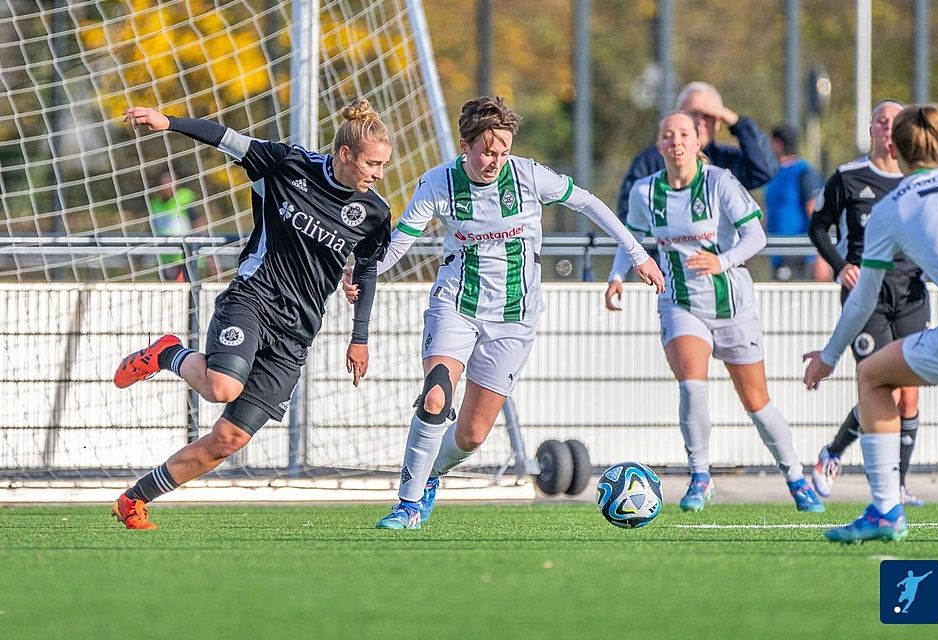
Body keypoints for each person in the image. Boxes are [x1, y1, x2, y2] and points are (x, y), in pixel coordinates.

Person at [345, 96, 664, 529]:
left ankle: (431, 474)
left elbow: (587, 202)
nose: (495, 161)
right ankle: (408, 504)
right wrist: (358, 270)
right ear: (466, 146)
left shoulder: (529, 176)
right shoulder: (438, 184)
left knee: (473, 435)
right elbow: (396, 246)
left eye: (503, 152)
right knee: (437, 394)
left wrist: (637, 253)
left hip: (515, 316)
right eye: (487, 151)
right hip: (455, 304)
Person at [111, 99, 394, 529]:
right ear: (345, 155)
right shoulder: (286, 164)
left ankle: (134, 499)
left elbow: (368, 267)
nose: (377, 174)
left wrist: (360, 337)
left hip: (296, 334)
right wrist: (167, 122)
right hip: (253, 299)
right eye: (372, 163)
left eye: (382, 165)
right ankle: (168, 353)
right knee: (222, 387)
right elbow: (225, 138)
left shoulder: (374, 212)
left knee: (228, 440)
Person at [606, 111, 823, 513]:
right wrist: (618, 276)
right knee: (692, 382)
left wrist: (721, 262)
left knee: (757, 402)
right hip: (680, 302)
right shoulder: (644, 192)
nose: (676, 142)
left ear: (697, 142)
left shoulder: (719, 182)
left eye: (684, 134)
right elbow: (632, 239)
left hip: (732, 305)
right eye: (668, 136)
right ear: (659, 146)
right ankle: (700, 476)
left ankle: (796, 477)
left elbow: (755, 234)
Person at [804, 103, 938, 543]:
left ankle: (886, 510)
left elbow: (861, 299)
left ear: (898, 147)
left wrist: (828, 356)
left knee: (872, 376)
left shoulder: (893, 208)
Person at [616, 81, 778, 221]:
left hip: (719, 256)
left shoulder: (726, 163)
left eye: (708, 116)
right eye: (693, 114)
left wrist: (737, 123)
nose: (700, 122)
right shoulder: (651, 161)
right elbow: (629, 214)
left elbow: (764, 170)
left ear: (718, 122)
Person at [763, 124, 830, 281]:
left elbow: (815, 213)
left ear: (778, 144)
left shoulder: (804, 171)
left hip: (800, 253)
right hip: (777, 252)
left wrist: (821, 255)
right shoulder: (773, 173)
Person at [148, 169, 199, 282]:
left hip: (184, 257)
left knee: (184, 291)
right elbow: (151, 227)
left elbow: (198, 223)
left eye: (171, 182)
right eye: (165, 182)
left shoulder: (184, 198)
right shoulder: (155, 202)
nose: (168, 186)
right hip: (165, 258)